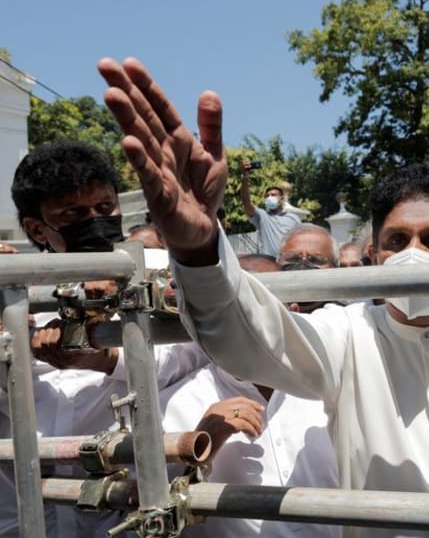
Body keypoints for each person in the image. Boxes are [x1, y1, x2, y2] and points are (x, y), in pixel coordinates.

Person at [98, 55, 429, 526]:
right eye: (397, 241)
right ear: (375, 255)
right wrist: (198, 248)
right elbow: (248, 341)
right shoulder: (347, 335)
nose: (414, 256)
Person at [3, 140, 207, 537]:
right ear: (35, 227)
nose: (95, 221)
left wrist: (102, 357)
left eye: (104, 208)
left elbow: (190, 354)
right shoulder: (17, 287)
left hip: (129, 504)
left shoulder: (159, 272)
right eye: (74, 213)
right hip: (29, 508)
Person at [159, 254, 339, 538]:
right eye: (230, 305)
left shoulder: (333, 386)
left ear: (291, 310)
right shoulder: (175, 404)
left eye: (260, 303)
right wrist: (200, 445)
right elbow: (156, 510)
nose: (244, 318)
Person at [240, 160, 301, 257]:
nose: (269, 198)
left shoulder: (294, 218)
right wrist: (244, 177)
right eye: (267, 196)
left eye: (273, 195)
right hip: (267, 264)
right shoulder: (262, 216)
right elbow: (246, 201)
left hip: (289, 264)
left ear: (281, 199)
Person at [275, 224, 341, 313]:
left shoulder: (347, 319)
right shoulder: (264, 312)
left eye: (315, 260)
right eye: (293, 258)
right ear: (278, 261)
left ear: (334, 267)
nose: (302, 265)